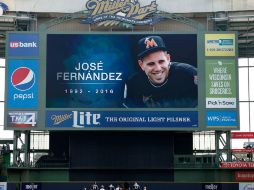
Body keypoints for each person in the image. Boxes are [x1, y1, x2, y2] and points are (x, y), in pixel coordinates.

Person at [123, 35, 198, 108]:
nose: (158, 68)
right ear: (141, 65)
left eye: (161, 61)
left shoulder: (189, 74)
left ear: (168, 59)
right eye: (151, 64)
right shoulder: (133, 84)